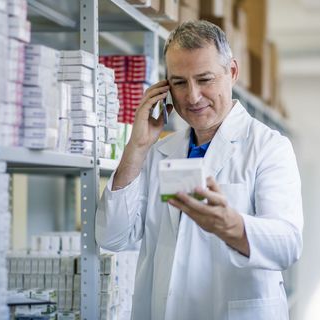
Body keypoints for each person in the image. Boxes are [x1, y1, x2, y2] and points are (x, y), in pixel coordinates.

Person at [96, 20, 303, 320]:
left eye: (204, 79)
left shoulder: (268, 147)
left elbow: (288, 245)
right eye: (179, 82)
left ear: (232, 72)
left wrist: (233, 226)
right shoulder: (159, 151)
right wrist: (137, 146)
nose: (192, 96)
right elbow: (112, 237)